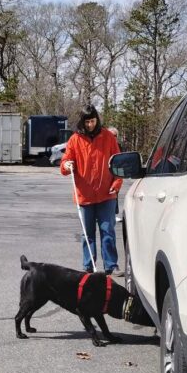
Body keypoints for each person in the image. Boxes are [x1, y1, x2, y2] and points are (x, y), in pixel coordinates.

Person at [60, 105, 122, 275]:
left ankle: (111, 265)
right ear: (82, 121)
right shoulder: (75, 139)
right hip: (84, 196)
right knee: (87, 234)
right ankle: (88, 266)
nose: (90, 125)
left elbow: (118, 163)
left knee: (107, 231)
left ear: (97, 119)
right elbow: (65, 164)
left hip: (106, 194)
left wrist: (116, 185)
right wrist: (66, 164)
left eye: (93, 121)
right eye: (87, 122)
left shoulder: (108, 137)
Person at [106, 126, 123, 223]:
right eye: (110, 135)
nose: (113, 137)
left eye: (115, 135)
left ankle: (113, 214)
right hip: (105, 174)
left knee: (115, 193)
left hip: (115, 173)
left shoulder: (118, 146)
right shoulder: (102, 146)